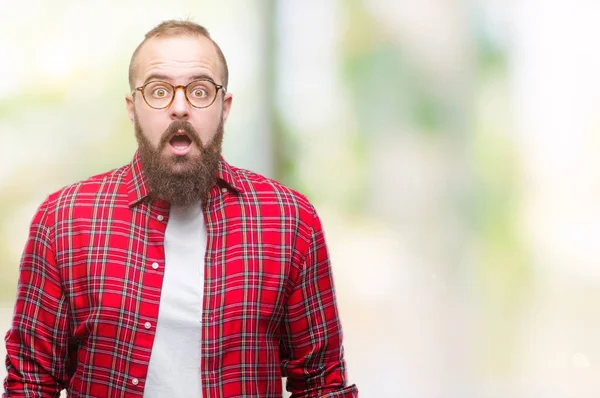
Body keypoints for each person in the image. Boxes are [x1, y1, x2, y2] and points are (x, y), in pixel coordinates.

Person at [3, 20, 358, 398]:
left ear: (225, 108)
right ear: (132, 107)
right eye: (158, 91)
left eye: (200, 91)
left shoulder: (289, 219)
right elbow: (31, 383)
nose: (179, 108)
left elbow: (323, 386)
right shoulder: (64, 220)